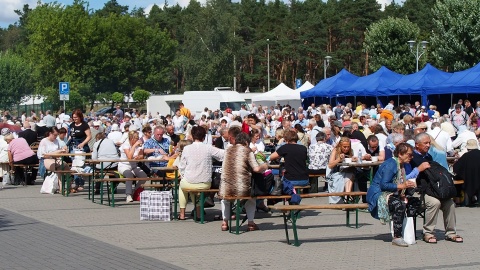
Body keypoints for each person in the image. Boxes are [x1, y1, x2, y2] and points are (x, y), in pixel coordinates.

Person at [410, 133, 463, 244]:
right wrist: (418, 169)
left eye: (429, 143)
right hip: (418, 191)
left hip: (433, 189)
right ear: (417, 145)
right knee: (434, 203)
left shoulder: (428, 156)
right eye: (425, 143)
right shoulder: (411, 157)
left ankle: (451, 233)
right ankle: (428, 233)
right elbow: (406, 177)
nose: (428, 145)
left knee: (450, 203)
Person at [366, 143, 419, 247]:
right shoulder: (391, 164)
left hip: (391, 193)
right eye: (409, 155)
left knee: (414, 202)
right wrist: (402, 186)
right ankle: (397, 236)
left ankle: (409, 234)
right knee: (398, 205)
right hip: (378, 194)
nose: (411, 157)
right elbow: (384, 185)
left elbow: (398, 183)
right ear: (400, 154)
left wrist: (404, 190)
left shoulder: (402, 165)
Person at [219, 132, 268, 231]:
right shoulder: (247, 151)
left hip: (226, 187)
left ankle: (224, 222)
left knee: (225, 199)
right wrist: (265, 166)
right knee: (251, 198)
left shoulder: (227, 150)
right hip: (242, 188)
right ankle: (250, 223)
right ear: (246, 142)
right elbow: (256, 169)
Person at [178, 126, 224, 220]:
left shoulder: (186, 149)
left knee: (183, 187)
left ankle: (182, 214)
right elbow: (223, 154)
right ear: (204, 137)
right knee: (196, 190)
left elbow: (182, 166)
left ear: (192, 136)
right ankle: (198, 213)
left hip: (189, 182)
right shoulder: (209, 148)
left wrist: (183, 175)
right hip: (205, 183)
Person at [119, 130, 148, 202]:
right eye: (136, 138)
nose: (138, 139)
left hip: (134, 165)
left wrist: (139, 157)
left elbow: (141, 156)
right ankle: (128, 195)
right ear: (132, 138)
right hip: (124, 165)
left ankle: (135, 191)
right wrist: (134, 145)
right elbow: (129, 156)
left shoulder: (139, 145)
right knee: (129, 174)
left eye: (138, 138)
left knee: (144, 176)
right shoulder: (125, 145)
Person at [327, 137, 357, 202]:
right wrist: (339, 159)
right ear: (340, 146)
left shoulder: (350, 151)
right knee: (349, 175)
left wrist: (353, 159)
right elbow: (330, 165)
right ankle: (348, 196)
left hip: (348, 171)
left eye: (348, 147)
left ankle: (347, 196)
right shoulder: (335, 151)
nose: (346, 148)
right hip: (336, 172)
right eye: (344, 147)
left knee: (350, 173)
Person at [453, 139, 480, 205]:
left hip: (469, 180)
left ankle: (459, 199)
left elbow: (456, 168)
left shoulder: (466, 156)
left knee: (457, 179)